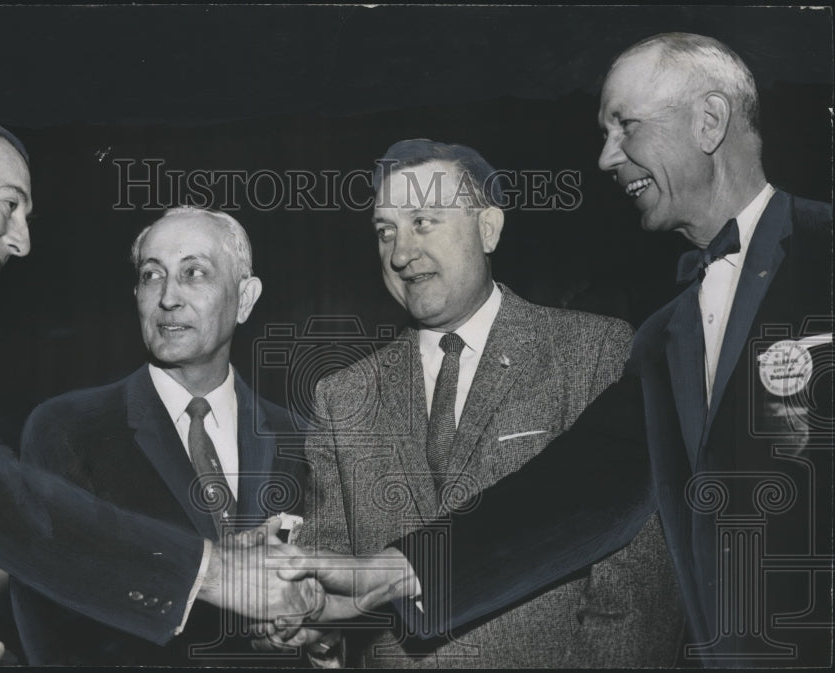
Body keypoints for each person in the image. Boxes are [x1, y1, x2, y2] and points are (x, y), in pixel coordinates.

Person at [286, 33, 833, 668]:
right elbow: (579, 494)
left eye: (624, 125)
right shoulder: (666, 337)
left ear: (708, 121)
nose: (606, 157)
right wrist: (391, 572)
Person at [0, 112, 320, 666]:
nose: (22, 241)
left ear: (248, 297)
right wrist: (213, 570)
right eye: (11, 204)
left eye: (195, 273)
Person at [289, 139, 683, 667]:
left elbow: (637, 585)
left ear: (488, 228)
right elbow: (332, 586)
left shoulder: (593, 354)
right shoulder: (343, 396)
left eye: (423, 221)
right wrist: (312, 632)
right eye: (385, 231)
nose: (401, 254)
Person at [8, 207, 311, 666]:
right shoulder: (69, 428)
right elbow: (49, 607)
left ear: (245, 299)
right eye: (152, 275)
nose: (168, 297)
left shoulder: (301, 440)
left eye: (195, 273)